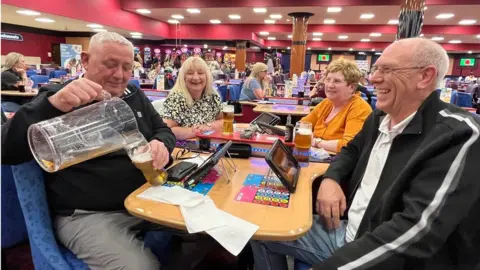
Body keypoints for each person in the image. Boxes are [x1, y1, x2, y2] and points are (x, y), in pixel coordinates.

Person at [250, 37, 480, 270]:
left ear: (425, 76)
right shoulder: (380, 117)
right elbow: (350, 150)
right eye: (375, 69)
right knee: (259, 230)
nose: (373, 78)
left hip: (390, 257)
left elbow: (417, 232)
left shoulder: (459, 134)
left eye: (387, 69)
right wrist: (331, 178)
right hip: (349, 231)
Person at [1, 32, 176, 270]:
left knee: (203, 232)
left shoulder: (135, 95)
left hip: (145, 199)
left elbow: (163, 131)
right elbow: (6, 149)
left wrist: (161, 144)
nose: (119, 75)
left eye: (126, 67)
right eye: (110, 64)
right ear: (85, 60)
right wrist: (50, 106)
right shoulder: (59, 99)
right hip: (88, 214)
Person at [300, 58, 372, 153]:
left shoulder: (359, 108)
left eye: (337, 81)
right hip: (316, 158)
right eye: (328, 80)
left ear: (352, 87)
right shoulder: (327, 103)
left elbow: (349, 144)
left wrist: (317, 142)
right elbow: (303, 124)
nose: (330, 85)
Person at [161, 56, 223, 140]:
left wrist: (208, 126)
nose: (196, 77)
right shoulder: (175, 98)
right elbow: (166, 130)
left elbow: (224, 121)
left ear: (207, 76)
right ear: (183, 77)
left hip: (209, 146)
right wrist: (197, 131)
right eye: (190, 73)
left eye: (200, 73)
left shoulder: (212, 95)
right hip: (183, 149)